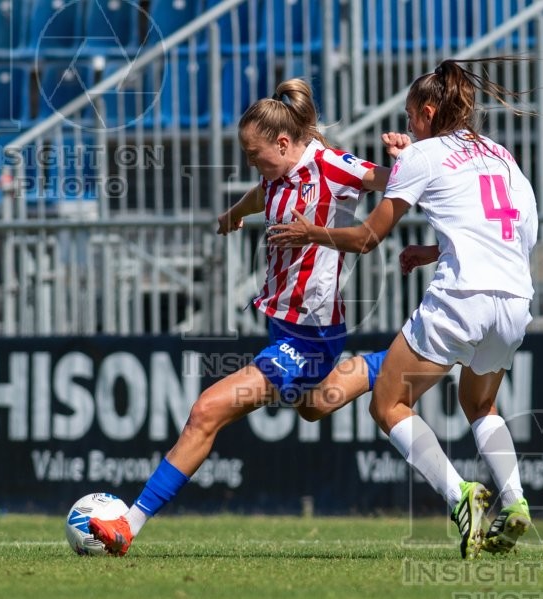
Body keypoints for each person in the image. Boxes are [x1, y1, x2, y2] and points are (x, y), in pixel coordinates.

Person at [88, 78, 393, 557]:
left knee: (207, 410)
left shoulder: (332, 166)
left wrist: (412, 158)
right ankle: (384, 364)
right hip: (283, 325)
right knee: (313, 405)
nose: (253, 163)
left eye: (255, 154)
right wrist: (236, 214)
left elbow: (393, 181)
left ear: (284, 142)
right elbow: (262, 189)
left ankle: (129, 522)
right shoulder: (276, 173)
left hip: (312, 334)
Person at [268, 58, 537, 559]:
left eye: (411, 116)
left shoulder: (422, 155)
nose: (408, 126)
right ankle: (517, 503)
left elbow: (368, 238)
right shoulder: (503, 157)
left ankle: (461, 497)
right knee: (480, 405)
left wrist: (310, 232)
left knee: (388, 404)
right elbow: (512, 233)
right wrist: (435, 250)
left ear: (429, 111)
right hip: (516, 299)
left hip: (463, 298)